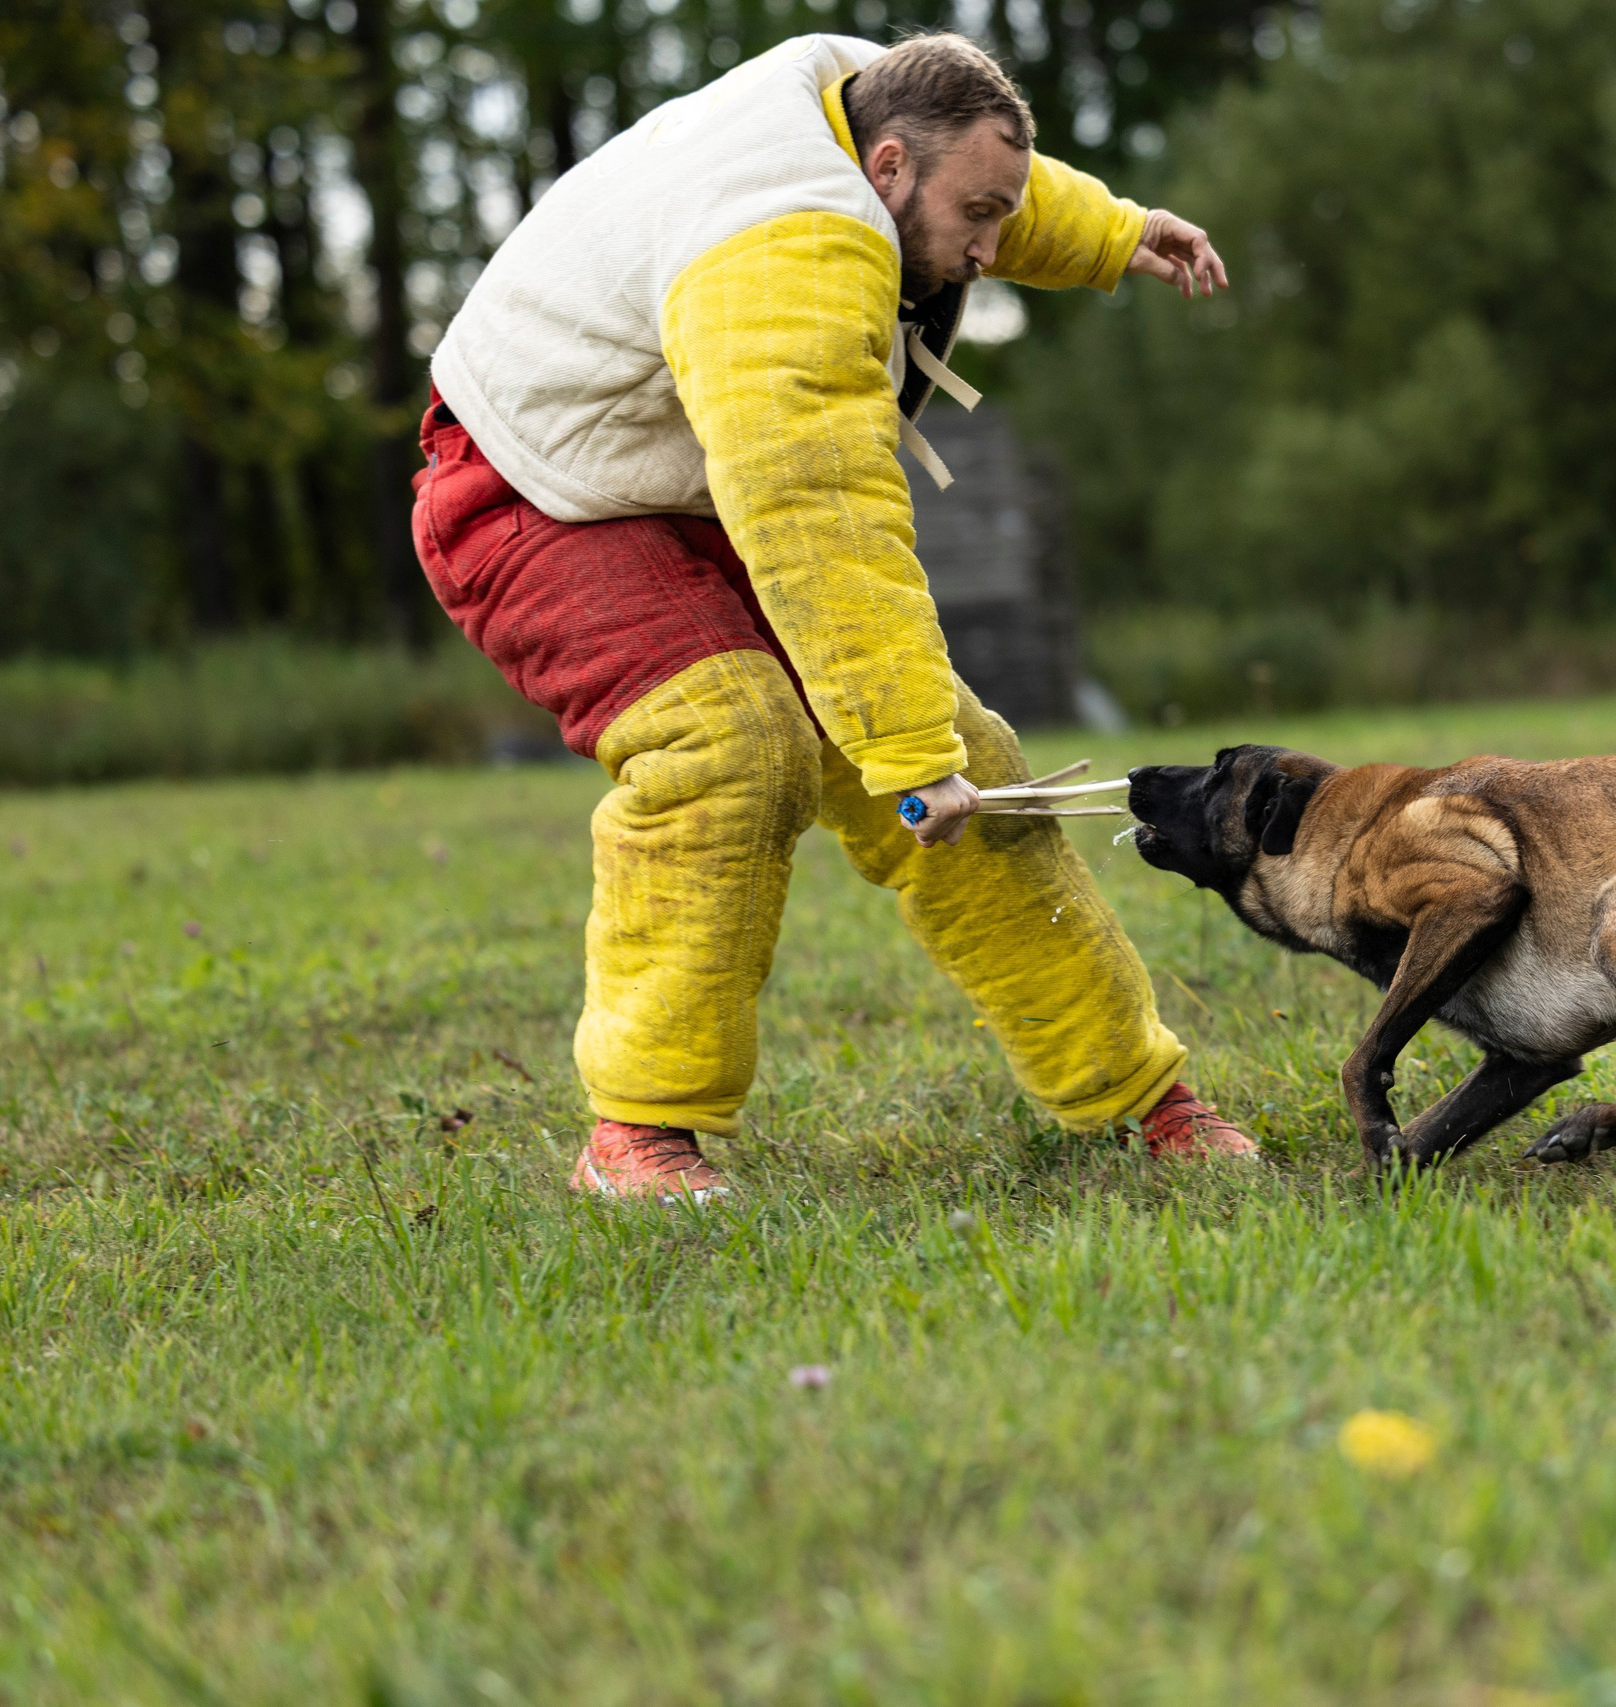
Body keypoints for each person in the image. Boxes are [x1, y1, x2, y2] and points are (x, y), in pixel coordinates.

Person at [411, 30, 1254, 1201]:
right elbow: (822, 520)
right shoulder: (785, 255)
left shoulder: (866, 98)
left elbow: (984, 168)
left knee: (982, 763)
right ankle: (638, 1134)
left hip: (686, 489)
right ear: (888, 171)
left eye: (1001, 219)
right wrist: (905, 756)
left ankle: (1137, 1099)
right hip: (530, 491)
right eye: (978, 220)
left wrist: (1115, 230)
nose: (989, 249)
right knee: (733, 742)